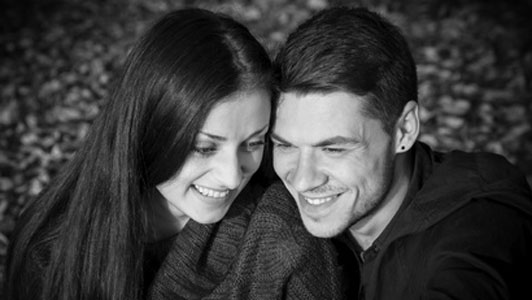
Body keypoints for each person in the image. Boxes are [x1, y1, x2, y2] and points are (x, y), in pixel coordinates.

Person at [6, 7, 346, 300]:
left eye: (253, 143)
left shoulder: (283, 241)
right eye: (203, 147)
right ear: (149, 130)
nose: (231, 175)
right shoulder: (51, 252)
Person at [271, 6, 532, 300]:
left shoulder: (478, 224)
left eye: (333, 149)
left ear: (404, 131)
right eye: (285, 145)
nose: (304, 179)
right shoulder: (264, 198)